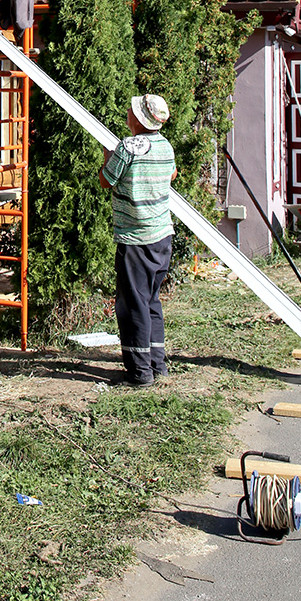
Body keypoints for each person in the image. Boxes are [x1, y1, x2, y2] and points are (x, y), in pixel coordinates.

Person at [99, 93, 177, 386]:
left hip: (135, 239)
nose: (127, 114)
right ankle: (158, 365)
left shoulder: (129, 147)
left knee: (133, 305)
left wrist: (109, 159)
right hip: (161, 237)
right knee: (151, 301)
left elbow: (107, 179)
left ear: (139, 119)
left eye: (131, 111)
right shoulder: (165, 146)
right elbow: (172, 174)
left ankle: (139, 373)